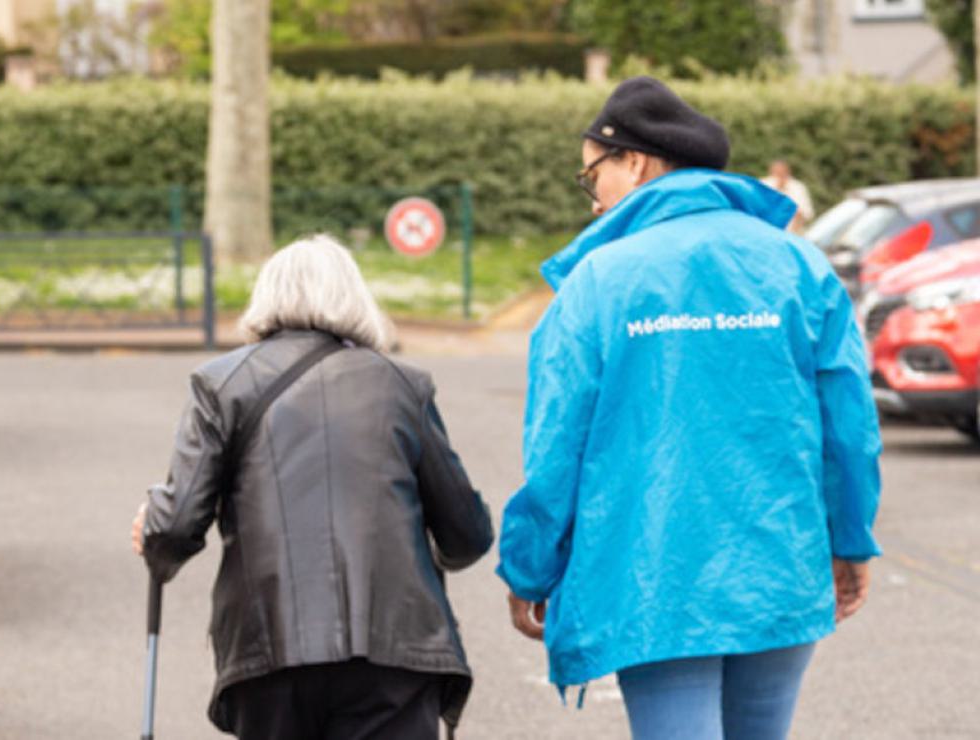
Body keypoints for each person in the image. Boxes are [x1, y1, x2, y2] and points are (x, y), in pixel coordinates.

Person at [496, 76, 881, 739]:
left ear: (635, 162)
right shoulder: (797, 265)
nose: (593, 203)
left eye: (592, 178)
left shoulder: (601, 279)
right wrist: (848, 539)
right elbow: (848, 425)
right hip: (779, 563)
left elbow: (556, 443)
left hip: (654, 573)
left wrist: (532, 566)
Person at [130, 234, 494, 740]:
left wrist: (154, 527)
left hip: (271, 648)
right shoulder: (403, 385)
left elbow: (174, 527)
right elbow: (466, 535)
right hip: (393, 645)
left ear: (266, 297)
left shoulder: (220, 383)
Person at [761, 159, 815, 233]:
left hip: (793, 232)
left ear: (788, 172)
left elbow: (806, 212)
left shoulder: (798, 187)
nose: (779, 175)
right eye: (777, 172)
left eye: (782, 172)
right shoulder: (763, 184)